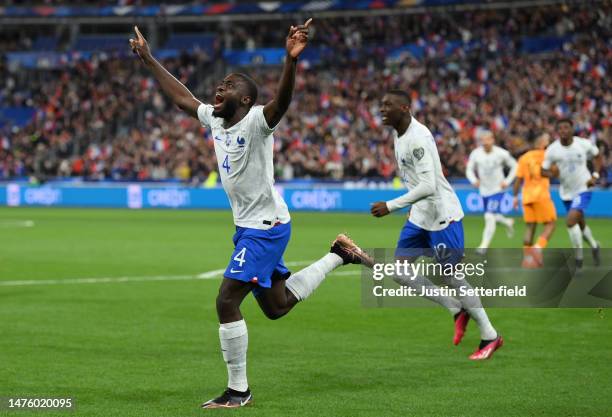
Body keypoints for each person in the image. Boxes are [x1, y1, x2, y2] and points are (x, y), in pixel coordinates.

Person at [130, 21, 373, 409]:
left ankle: (238, 391)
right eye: (221, 84)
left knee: (226, 300)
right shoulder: (214, 119)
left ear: (245, 101)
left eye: (229, 86)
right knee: (276, 306)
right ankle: (338, 255)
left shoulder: (258, 122)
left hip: (265, 228)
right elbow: (182, 98)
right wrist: (149, 59)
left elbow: (283, 101)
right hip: (250, 227)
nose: (220, 88)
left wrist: (290, 61)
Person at [370, 90, 503, 360]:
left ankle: (490, 335)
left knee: (452, 276)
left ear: (405, 108)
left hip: (443, 216)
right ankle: (456, 309)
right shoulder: (400, 133)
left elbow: (429, 186)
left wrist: (392, 206)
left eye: (388, 105)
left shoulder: (417, 138)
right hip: (420, 216)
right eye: (381, 105)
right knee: (400, 271)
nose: (382, 109)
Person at [542, 118, 602, 270]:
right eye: (560, 128)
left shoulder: (583, 144)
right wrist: (552, 173)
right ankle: (595, 246)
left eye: (566, 128)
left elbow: (597, 155)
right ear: (557, 131)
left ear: (572, 129)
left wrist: (594, 175)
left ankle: (578, 260)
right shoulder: (552, 149)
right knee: (580, 224)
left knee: (570, 221)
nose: (563, 131)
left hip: (583, 188)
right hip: (566, 192)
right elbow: (542, 170)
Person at [466, 131, 517, 255]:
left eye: (488, 139)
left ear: (493, 140)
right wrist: (473, 180)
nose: (485, 142)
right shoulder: (476, 154)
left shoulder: (501, 153)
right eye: (483, 140)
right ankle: (508, 222)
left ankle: (483, 246)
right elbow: (469, 169)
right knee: (493, 216)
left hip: (498, 189)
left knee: (489, 216)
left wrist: (507, 181)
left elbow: (515, 166)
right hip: (484, 190)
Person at [512, 134, 557, 268]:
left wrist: (515, 197)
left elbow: (518, 180)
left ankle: (527, 259)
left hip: (526, 196)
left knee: (530, 227)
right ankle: (537, 249)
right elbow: (552, 172)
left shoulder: (524, 158)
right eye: (548, 141)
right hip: (541, 195)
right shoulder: (547, 155)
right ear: (543, 143)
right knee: (551, 224)